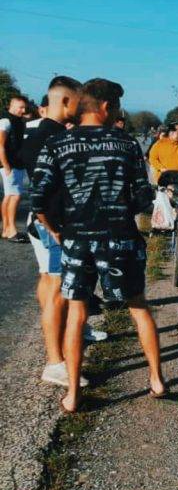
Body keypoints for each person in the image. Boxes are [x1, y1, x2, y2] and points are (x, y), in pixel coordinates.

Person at [32, 78, 167, 413]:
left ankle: (73, 395)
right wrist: (122, 212)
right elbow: (142, 195)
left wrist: (57, 232)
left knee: (77, 314)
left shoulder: (58, 142)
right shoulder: (127, 144)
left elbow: (38, 200)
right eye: (117, 106)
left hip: (77, 239)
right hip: (120, 236)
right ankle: (157, 380)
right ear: (107, 107)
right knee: (139, 307)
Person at [20, 77, 106, 385]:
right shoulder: (55, 137)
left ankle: (58, 345)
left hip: (42, 222)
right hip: (53, 225)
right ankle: (55, 361)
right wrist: (55, 226)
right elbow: (51, 189)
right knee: (57, 290)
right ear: (66, 102)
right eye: (78, 101)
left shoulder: (38, 133)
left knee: (47, 283)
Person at [1, 94, 30, 241]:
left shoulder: (17, 121)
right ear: (11, 106)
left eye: (24, 107)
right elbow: (0, 145)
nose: (23, 110)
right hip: (10, 164)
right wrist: (6, 165)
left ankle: (6, 229)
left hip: (14, 163)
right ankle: (12, 231)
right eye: (20, 107)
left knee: (9, 195)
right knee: (16, 195)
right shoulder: (6, 121)